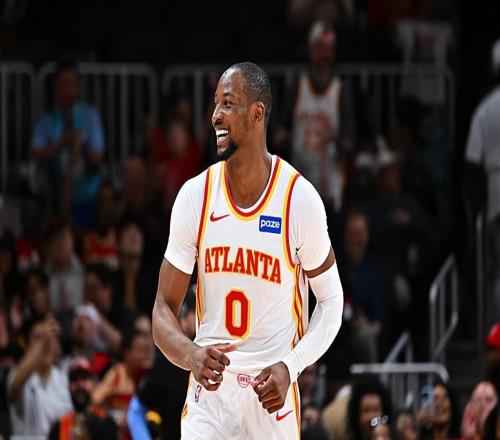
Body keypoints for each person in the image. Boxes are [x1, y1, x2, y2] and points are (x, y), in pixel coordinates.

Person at [152, 62, 344, 439]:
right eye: (215, 104)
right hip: (211, 398)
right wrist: (190, 354)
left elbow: (331, 302)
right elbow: (162, 309)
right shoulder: (195, 196)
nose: (215, 115)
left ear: (257, 114)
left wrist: (291, 366)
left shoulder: (298, 199)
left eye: (227, 103)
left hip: (271, 396)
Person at [276, 20, 353, 212]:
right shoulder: (298, 84)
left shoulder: (340, 88)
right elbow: (282, 129)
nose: (324, 55)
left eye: (328, 49)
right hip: (299, 179)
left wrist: (340, 142)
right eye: (320, 48)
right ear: (310, 50)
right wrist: (283, 137)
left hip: (329, 181)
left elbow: (350, 138)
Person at [30, 61, 105, 226]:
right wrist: (59, 145)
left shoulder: (90, 116)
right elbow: (34, 153)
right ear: (55, 87)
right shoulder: (47, 121)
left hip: (88, 189)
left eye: (72, 84)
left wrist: (81, 147)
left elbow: (98, 158)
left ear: (78, 87)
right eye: (63, 84)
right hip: (57, 189)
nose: (67, 89)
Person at [465, 39, 500, 328]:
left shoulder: (486, 110)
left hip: (496, 200)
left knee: (496, 275)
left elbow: (472, 160)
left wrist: (478, 204)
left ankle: (493, 338)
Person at [7, 317, 72, 436]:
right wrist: (43, 341)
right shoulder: (17, 374)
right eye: (38, 338)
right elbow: (14, 387)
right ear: (27, 346)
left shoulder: (63, 378)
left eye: (50, 338)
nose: (46, 344)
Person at [48, 357, 117, 440]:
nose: (79, 383)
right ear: (68, 386)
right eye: (74, 379)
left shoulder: (106, 421)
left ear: (93, 383)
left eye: (84, 378)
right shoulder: (59, 427)